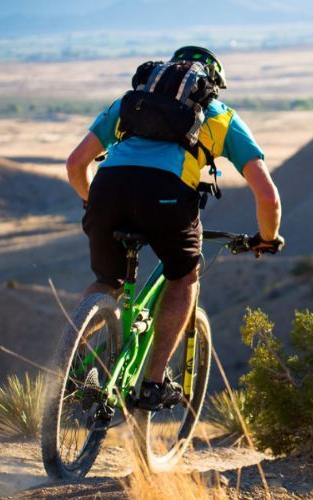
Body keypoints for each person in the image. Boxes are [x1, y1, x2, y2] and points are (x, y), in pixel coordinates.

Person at [64, 46, 283, 410]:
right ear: (211, 84)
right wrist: (267, 238)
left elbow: (75, 164)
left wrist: (95, 204)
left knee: (107, 282)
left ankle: (69, 362)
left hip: (107, 190)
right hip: (166, 198)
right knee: (183, 278)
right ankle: (152, 384)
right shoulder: (221, 116)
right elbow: (268, 196)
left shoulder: (129, 103)